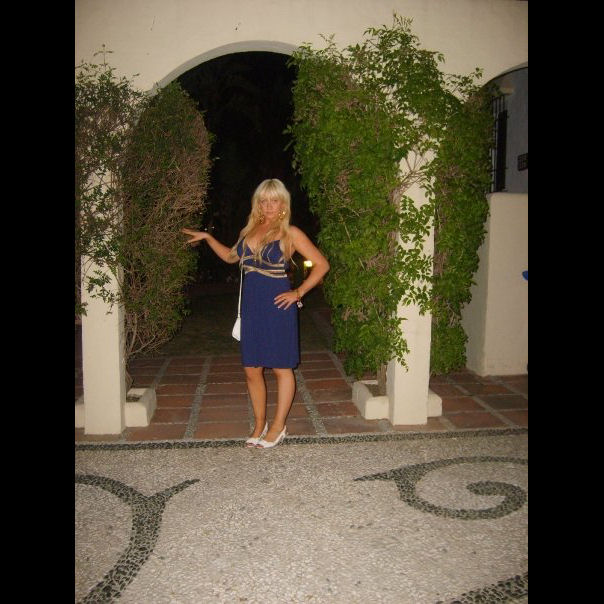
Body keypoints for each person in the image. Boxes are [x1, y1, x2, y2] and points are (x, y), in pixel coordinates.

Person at [182, 178, 330, 449]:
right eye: (264, 200)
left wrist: (298, 292)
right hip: (252, 307)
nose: (268, 205)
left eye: (274, 200)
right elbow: (230, 257)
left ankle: (278, 426)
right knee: (252, 369)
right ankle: (259, 423)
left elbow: (322, 264)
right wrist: (208, 238)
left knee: (282, 368)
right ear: (257, 203)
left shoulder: (291, 233)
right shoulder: (248, 231)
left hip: (278, 307)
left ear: (283, 204)